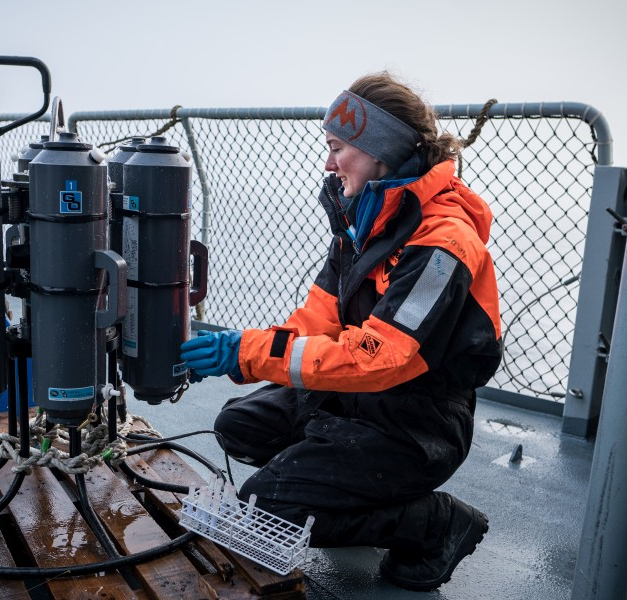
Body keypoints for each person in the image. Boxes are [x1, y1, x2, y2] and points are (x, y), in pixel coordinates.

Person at [179, 71, 501, 591]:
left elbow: (381, 358)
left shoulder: (443, 245)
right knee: (239, 426)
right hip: (360, 401)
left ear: (381, 151)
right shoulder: (364, 223)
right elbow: (316, 322)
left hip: (417, 422)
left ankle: (434, 521)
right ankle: (346, 485)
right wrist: (236, 356)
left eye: (337, 148)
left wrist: (246, 353)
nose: (328, 163)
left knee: (267, 505)